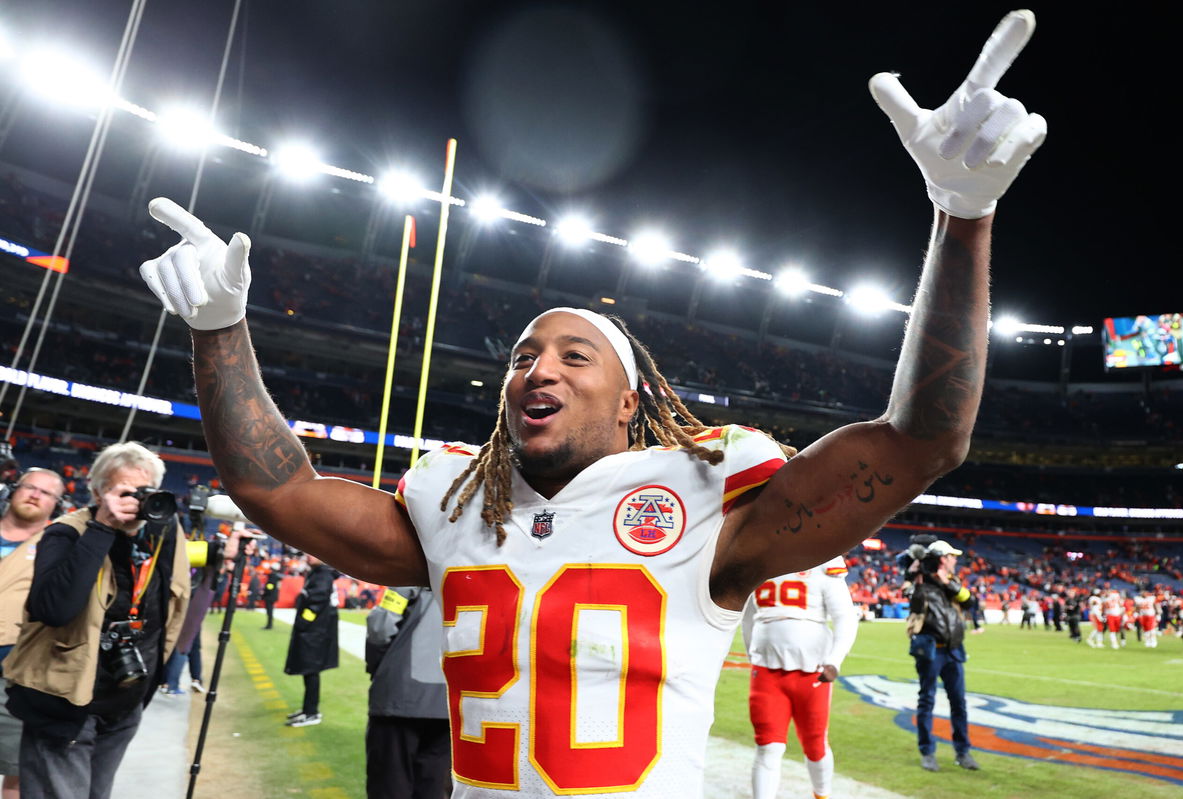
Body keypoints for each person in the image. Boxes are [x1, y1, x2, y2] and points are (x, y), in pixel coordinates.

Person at [136, 11, 1044, 795]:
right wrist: (220, 326)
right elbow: (278, 491)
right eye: (525, 354)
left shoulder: (705, 500)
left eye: (576, 355)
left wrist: (960, 216)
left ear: (629, 402)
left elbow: (922, 439)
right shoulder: (453, 504)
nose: (540, 369)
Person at [1, 443, 220, 799]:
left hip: (122, 704)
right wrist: (102, 527)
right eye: (125, 491)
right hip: (66, 703)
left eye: (144, 491)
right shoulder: (65, 533)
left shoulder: (162, 533)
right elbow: (53, 609)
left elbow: (173, 604)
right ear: (98, 491)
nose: (136, 501)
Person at [741, 556, 858, 799]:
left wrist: (834, 660)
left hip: (812, 672)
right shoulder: (761, 557)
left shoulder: (823, 559)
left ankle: (822, 794)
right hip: (767, 671)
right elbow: (747, 617)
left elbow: (845, 616)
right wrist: (753, 653)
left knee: (815, 745)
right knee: (767, 746)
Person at [0, 468, 65, 798]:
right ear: (14, 489)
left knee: (17, 767)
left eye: (46, 493)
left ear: (56, 504)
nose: (35, 495)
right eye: (29, 487)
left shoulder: (59, 544)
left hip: (15, 669)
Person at [365, 587, 451, 799]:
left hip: (400, 697)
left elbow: (380, 627)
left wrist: (375, 664)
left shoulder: (407, 576)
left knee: (390, 783)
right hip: (449, 701)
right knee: (433, 784)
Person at [905, 539, 979, 772]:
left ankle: (962, 751)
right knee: (927, 701)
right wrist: (916, 573)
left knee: (959, 703)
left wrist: (947, 582)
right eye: (952, 557)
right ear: (942, 559)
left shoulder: (953, 582)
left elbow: (970, 602)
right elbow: (911, 597)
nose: (955, 560)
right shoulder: (920, 582)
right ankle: (927, 752)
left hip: (953, 650)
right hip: (930, 650)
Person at [283, 554, 339, 727]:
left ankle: (311, 713)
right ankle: (308, 709)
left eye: (312, 553)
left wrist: (304, 621)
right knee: (309, 672)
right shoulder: (317, 573)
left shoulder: (323, 575)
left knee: (311, 671)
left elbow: (316, 603)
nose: (307, 555)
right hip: (314, 632)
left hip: (315, 633)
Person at [262, 562, 282, 630]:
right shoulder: (276, 576)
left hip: (269, 596)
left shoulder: (272, 576)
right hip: (272, 596)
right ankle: (269, 624)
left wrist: (265, 592)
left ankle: (269, 625)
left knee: (269, 611)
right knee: (270, 611)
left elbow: (270, 587)